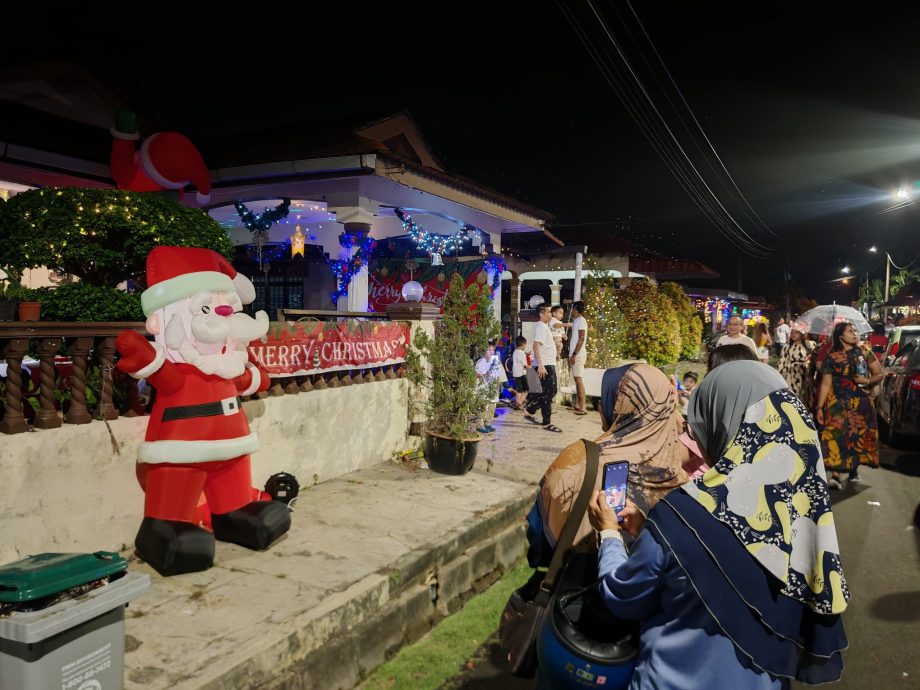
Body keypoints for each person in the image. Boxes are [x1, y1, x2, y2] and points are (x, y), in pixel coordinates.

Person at [589, 361, 848, 689]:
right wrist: (651, 533)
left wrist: (610, 533)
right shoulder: (802, 519)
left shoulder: (682, 514)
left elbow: (623, 595)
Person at [525, 363, 689, 568]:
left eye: (607, 397)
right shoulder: (679, 476)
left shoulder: (579, 460)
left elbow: (539, 534)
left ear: (620, 405)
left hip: (579, 583)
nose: (601, 405)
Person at [816, 322, 883, 489]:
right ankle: (835, 474)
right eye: (849, 331)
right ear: (840, 336)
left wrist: (867, 381)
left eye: (855, 330)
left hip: (860, 402)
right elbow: (825, 383)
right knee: (835, 435)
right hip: (837, 403)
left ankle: (853, 468)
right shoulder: (832, 357)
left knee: (856, 437)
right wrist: (819, 407)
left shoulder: (865, 352)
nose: (854, 333)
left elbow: (879, 373)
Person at [525, 304, 562, 432]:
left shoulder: (544, 327)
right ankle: (546, 422)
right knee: (549, 393)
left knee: (550, 391)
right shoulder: (541, 326)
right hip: (544, 365)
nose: (551, 314)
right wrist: (540, 365)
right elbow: (536, 346)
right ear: (541, 314)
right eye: (549, 312)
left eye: (551, 312)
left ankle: (530, 410)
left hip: (547, 363)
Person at [776, 327, 815, 408]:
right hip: (790, 375)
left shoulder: (809, 345)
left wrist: (807, 364)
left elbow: (813, 359)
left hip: (805, 376)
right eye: (792, 332)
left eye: (796, 332)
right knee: (791, 399)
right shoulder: (787, 346)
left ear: (802, 334)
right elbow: (782, 361)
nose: (793, 335)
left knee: (805, 399)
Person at [475, 342, 505, 434]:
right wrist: (485, 374)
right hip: (484, 388)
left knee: (492, 406)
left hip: (493, 388)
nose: (491, 352)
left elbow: (498, 374)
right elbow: (477, 374)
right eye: (489, 350)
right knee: (483, 407)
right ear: (483, 351)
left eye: (492, 350)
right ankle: (480, 424)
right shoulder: (480, 362)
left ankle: (488, 422)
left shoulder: (495, 361)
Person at [568, 300, 589, 415]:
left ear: (575, 309)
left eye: (572, 309)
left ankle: (583, 406)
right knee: (577, 380)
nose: (571, 311)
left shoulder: (581, 321)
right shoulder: (577, 321)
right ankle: (578, 404)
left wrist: (575, 354)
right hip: (575, 354)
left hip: (579, 355)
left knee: (579, 380)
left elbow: (581, 338)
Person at [510, 336, 528, 410]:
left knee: (519, 390)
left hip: (515, 374)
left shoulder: (515, 352)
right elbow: (525, 364)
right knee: (526, 390)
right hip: (521, 374)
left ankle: (518, 403)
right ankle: (519, 403)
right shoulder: (521, 353)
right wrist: (530, 365)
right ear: (523, 345)